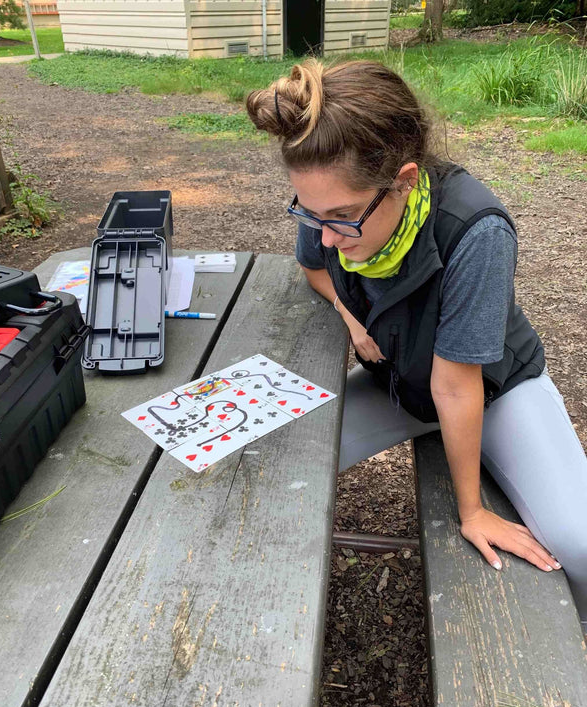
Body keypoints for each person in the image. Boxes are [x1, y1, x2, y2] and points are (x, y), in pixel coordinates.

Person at [246, 59, 587, 633]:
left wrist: (472, 510)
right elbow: (316, 272)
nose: (324, 235)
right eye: (309, 213)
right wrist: (353, 317)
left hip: (492, 390)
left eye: (342, 219)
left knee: (579, 541)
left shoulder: (475, 231)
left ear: (403, 180)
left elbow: (456, 385)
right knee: (271, 458)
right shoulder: (328, 203)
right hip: (400, 385)